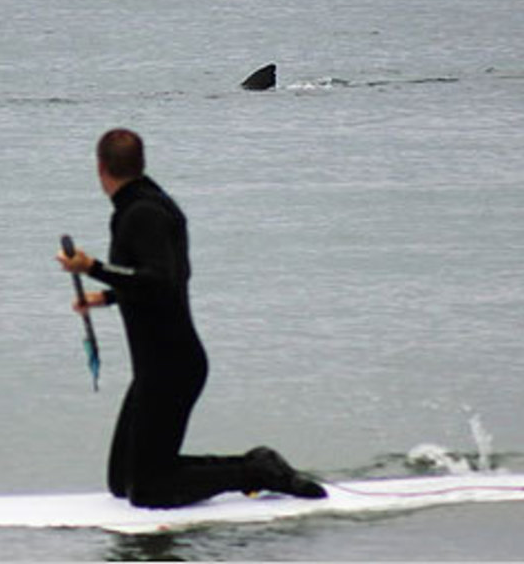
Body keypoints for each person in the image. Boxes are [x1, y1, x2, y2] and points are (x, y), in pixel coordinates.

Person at [56, 128, 327, 509]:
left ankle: (258, 471)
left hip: (171, 367)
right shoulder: (152, 205)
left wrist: (93, 267)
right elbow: (161, 280)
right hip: (157, 367)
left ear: (100, 167)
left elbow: (159, 281)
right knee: (123, 482)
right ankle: (249, 465)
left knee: (147, 491)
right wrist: (107, 297)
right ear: (141, 162)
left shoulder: (141, 213)